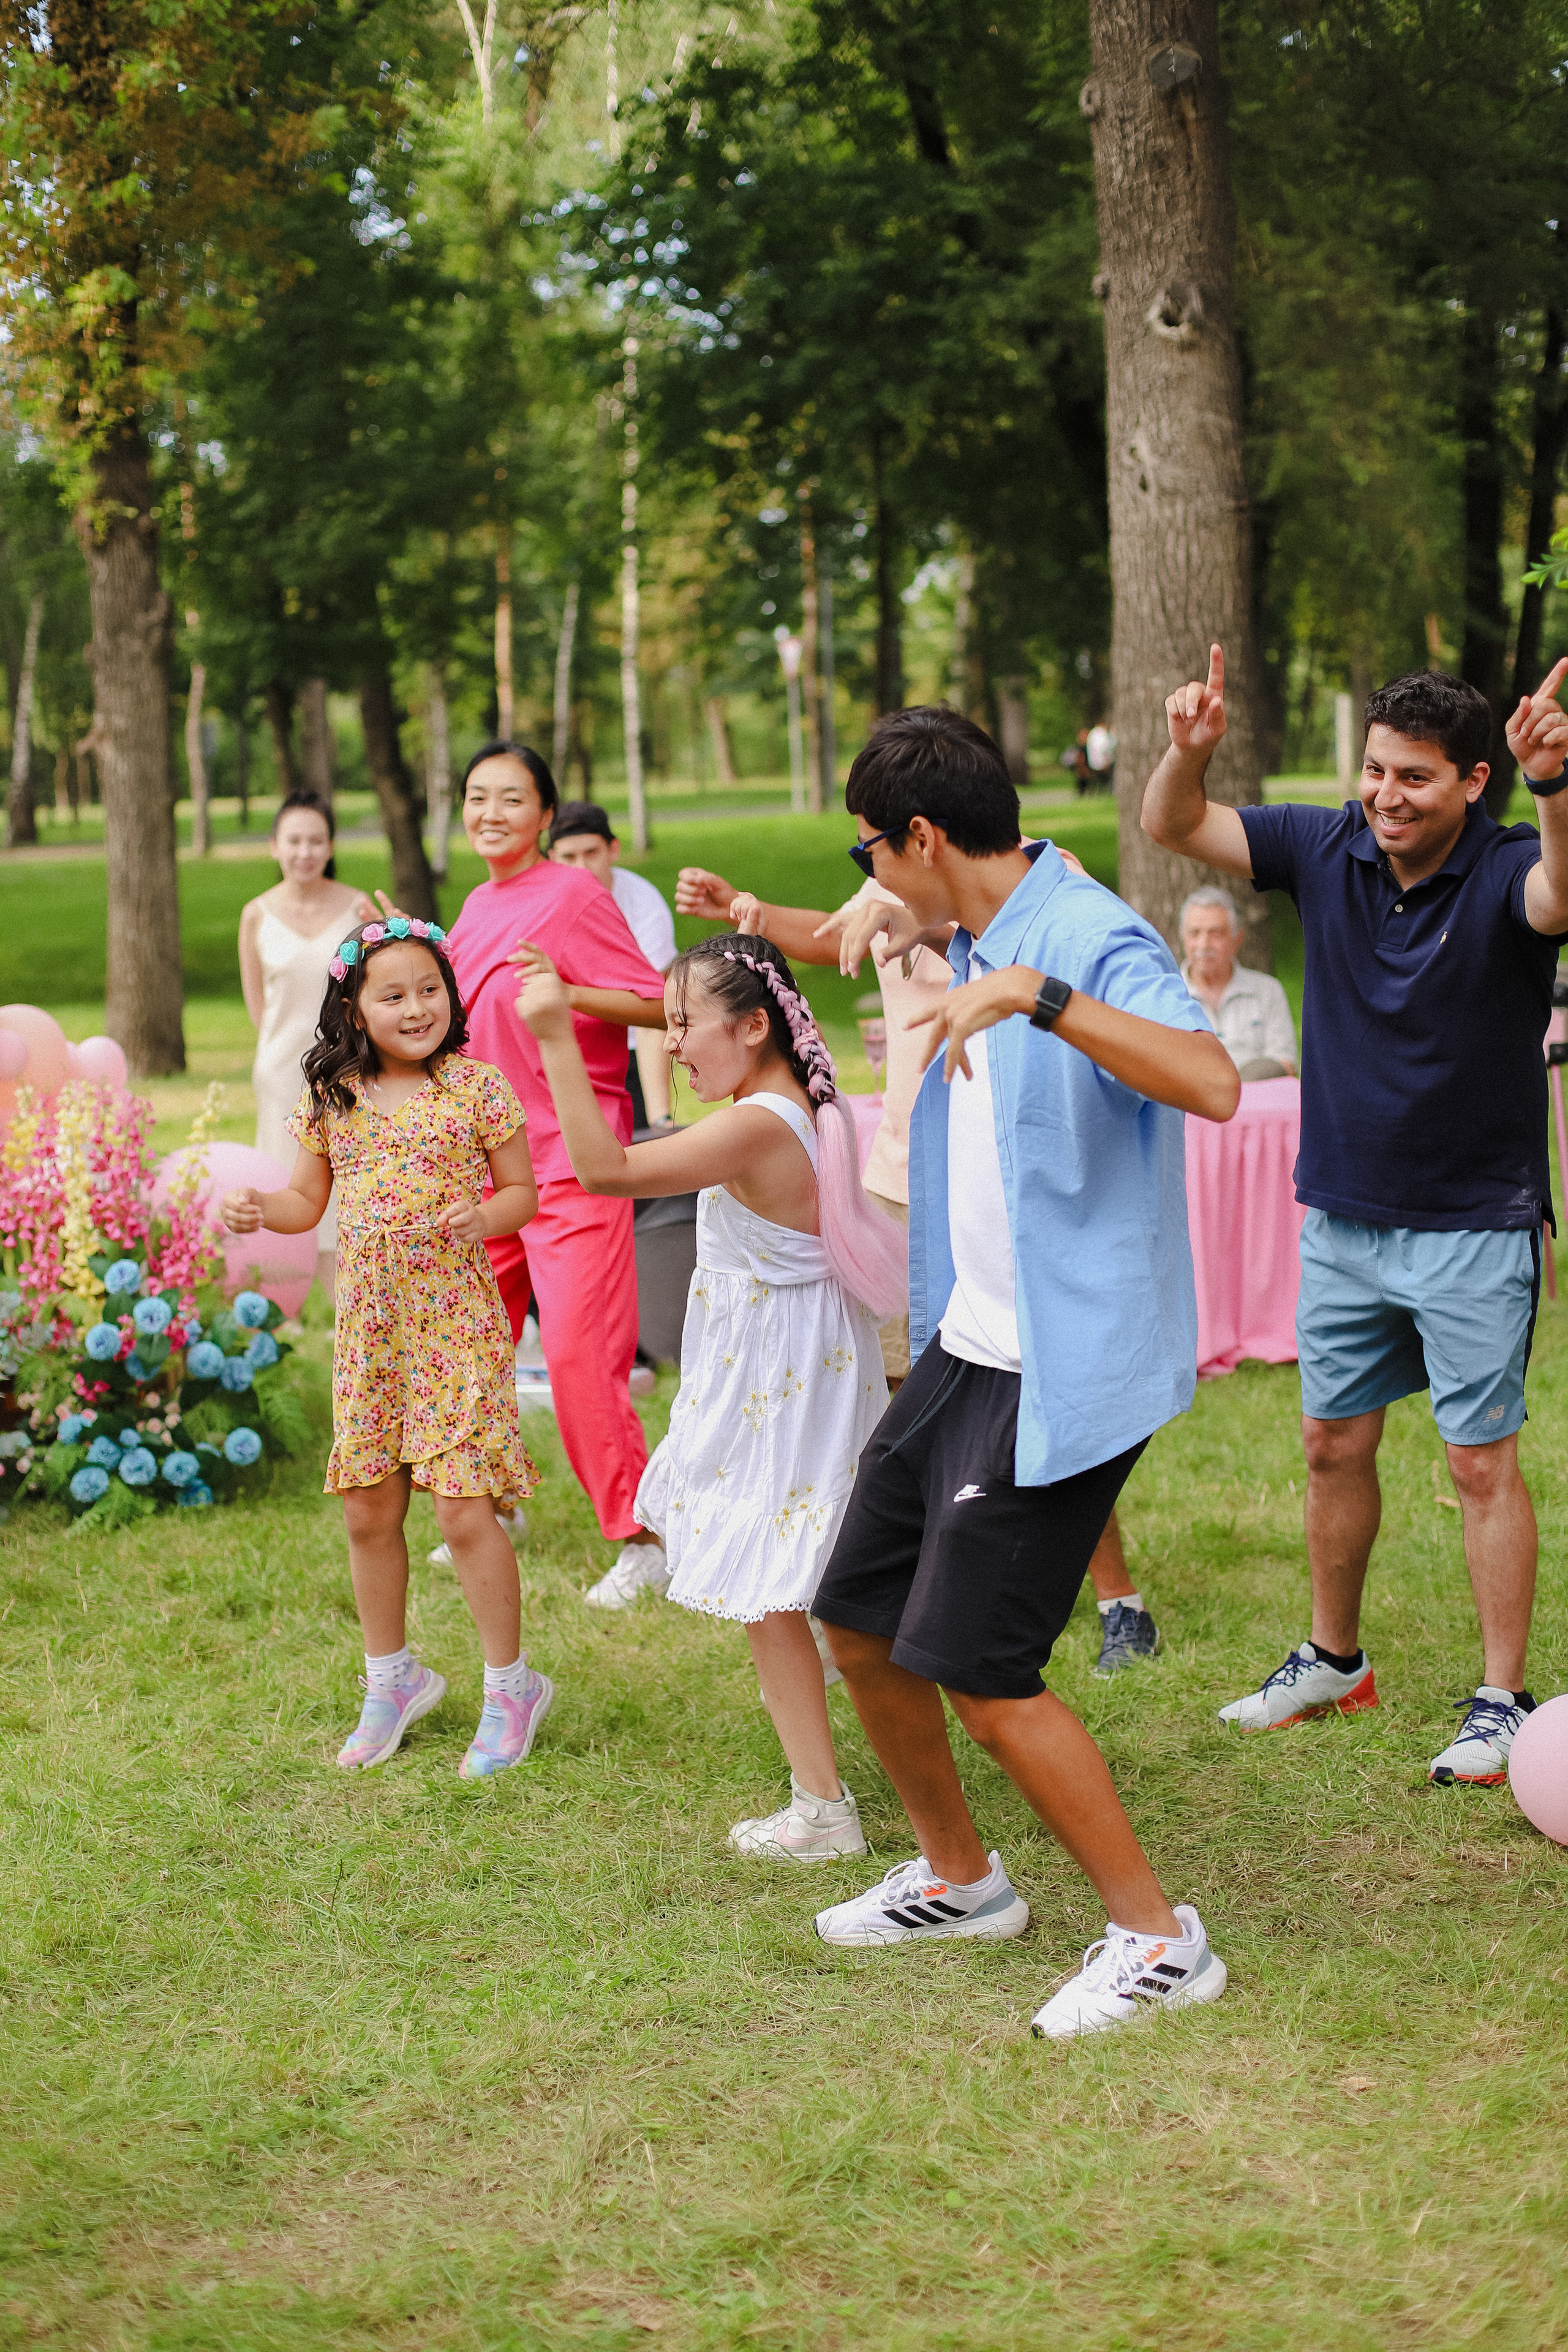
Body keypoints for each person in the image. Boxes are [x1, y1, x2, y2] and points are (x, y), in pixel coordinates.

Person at [807, 706, 1241, 2039]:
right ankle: (960, 1878)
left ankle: (1160, 1941)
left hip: (1062, 1360)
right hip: (966, 1342)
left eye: (874, 851)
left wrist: (1037, 998)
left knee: (984, 1671)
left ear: (924, 837)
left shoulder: (1079, 935)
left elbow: (1212, 1081)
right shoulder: (979, 923)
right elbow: (915, 935)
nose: (871, 877)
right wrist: (914, 933)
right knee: (858, 1615)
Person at [1142, 647, 1568, 1785]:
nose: (1386, 796)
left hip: (1475, 1220)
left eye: (1415, 779)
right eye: (1376, 771)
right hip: (1342, 1215)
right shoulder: (1326, 844)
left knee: (1480, 1465)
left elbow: (1561, 898)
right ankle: (1335, 1659)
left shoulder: (1511, 861)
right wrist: (1188, 751)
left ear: (1475, 781)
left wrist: (1555, 790)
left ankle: (1501, 1697)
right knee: (1334, 1443)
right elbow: (1175, 825)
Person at [673, 858, 1166, 1679]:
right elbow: (835, 937)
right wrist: (745, 910)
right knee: (904, 1395)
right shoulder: (884, 891)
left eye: (879, 836)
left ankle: (1120, 1604)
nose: (872, 856)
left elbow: (1059, 983)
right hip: (903, 1179)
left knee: (1029, 1397)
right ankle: (909, 1585)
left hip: (1003, 1186)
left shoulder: (1044, 888)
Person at [519, 932, 906, 1860]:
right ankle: (833, 1791)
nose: (675, 1041)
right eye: (670, 1020)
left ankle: (824, 1811)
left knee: (775, 1593)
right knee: (796, 1590)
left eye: (687, 1023)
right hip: (786, 1368)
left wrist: (558, 1039)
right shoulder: (783, 1105)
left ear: (756, 1023)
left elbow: (604, 1173)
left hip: (782, 1378)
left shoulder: (757, 1122)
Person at [220, 917, 553, 1779]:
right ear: (355, 1010)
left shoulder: (477, 1089)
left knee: (461, 1507)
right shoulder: (332, 1096)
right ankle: (392, 1679)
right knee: (369, 1508)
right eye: (394, 995)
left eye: (430, 989)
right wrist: (264, 1208)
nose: (417, 1007)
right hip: (371, 1333)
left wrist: (486, 1216)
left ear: (453, 994)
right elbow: (305, 1201)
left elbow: (522, 1190)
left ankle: (512, 1687)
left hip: (455, 1324)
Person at [442, 742, 671, 1608]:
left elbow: (656, 1001)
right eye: (477, 797)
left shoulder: (574, 896)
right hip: (490, 1171)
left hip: (576, 1165)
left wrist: (568, 996)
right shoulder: (472, 907)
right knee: (469, 1345)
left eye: (511, 798)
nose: (491, 812)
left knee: (578, 1356)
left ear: (545, 816)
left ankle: (642, 1537)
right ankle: (498, 1503)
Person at [238, 790, 375, 1301]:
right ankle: (279, 1296)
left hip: (347, 1068)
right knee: (281, 1173)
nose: (305, 852)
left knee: (345, 1173)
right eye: (294, 841)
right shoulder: (256, 914)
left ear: (331, 845)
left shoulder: (358, 906)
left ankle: (349, 1294)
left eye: (316, 840)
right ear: (275, 846)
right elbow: (259, 1004)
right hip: (279, 1072)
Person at [548, 799, 679, 1124]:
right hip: (562, 1048)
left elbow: (655, 1007)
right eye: (568, 857)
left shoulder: (645, 904)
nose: (581, 867)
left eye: (591, 853)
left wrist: (660, 1116)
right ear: (551, 858)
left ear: (613, 850)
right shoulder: (540, 905)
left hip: (631, 1049)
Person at [1178, 885, 1297, 1079]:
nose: (1204, 945)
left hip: (1258, 1104)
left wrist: (1235, 1090)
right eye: (1195, 933)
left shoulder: (1268, 991)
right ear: (1183, 938)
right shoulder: (1166, 995)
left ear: (1237, 939)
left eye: (1215, 934)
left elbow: (1286, 1065)